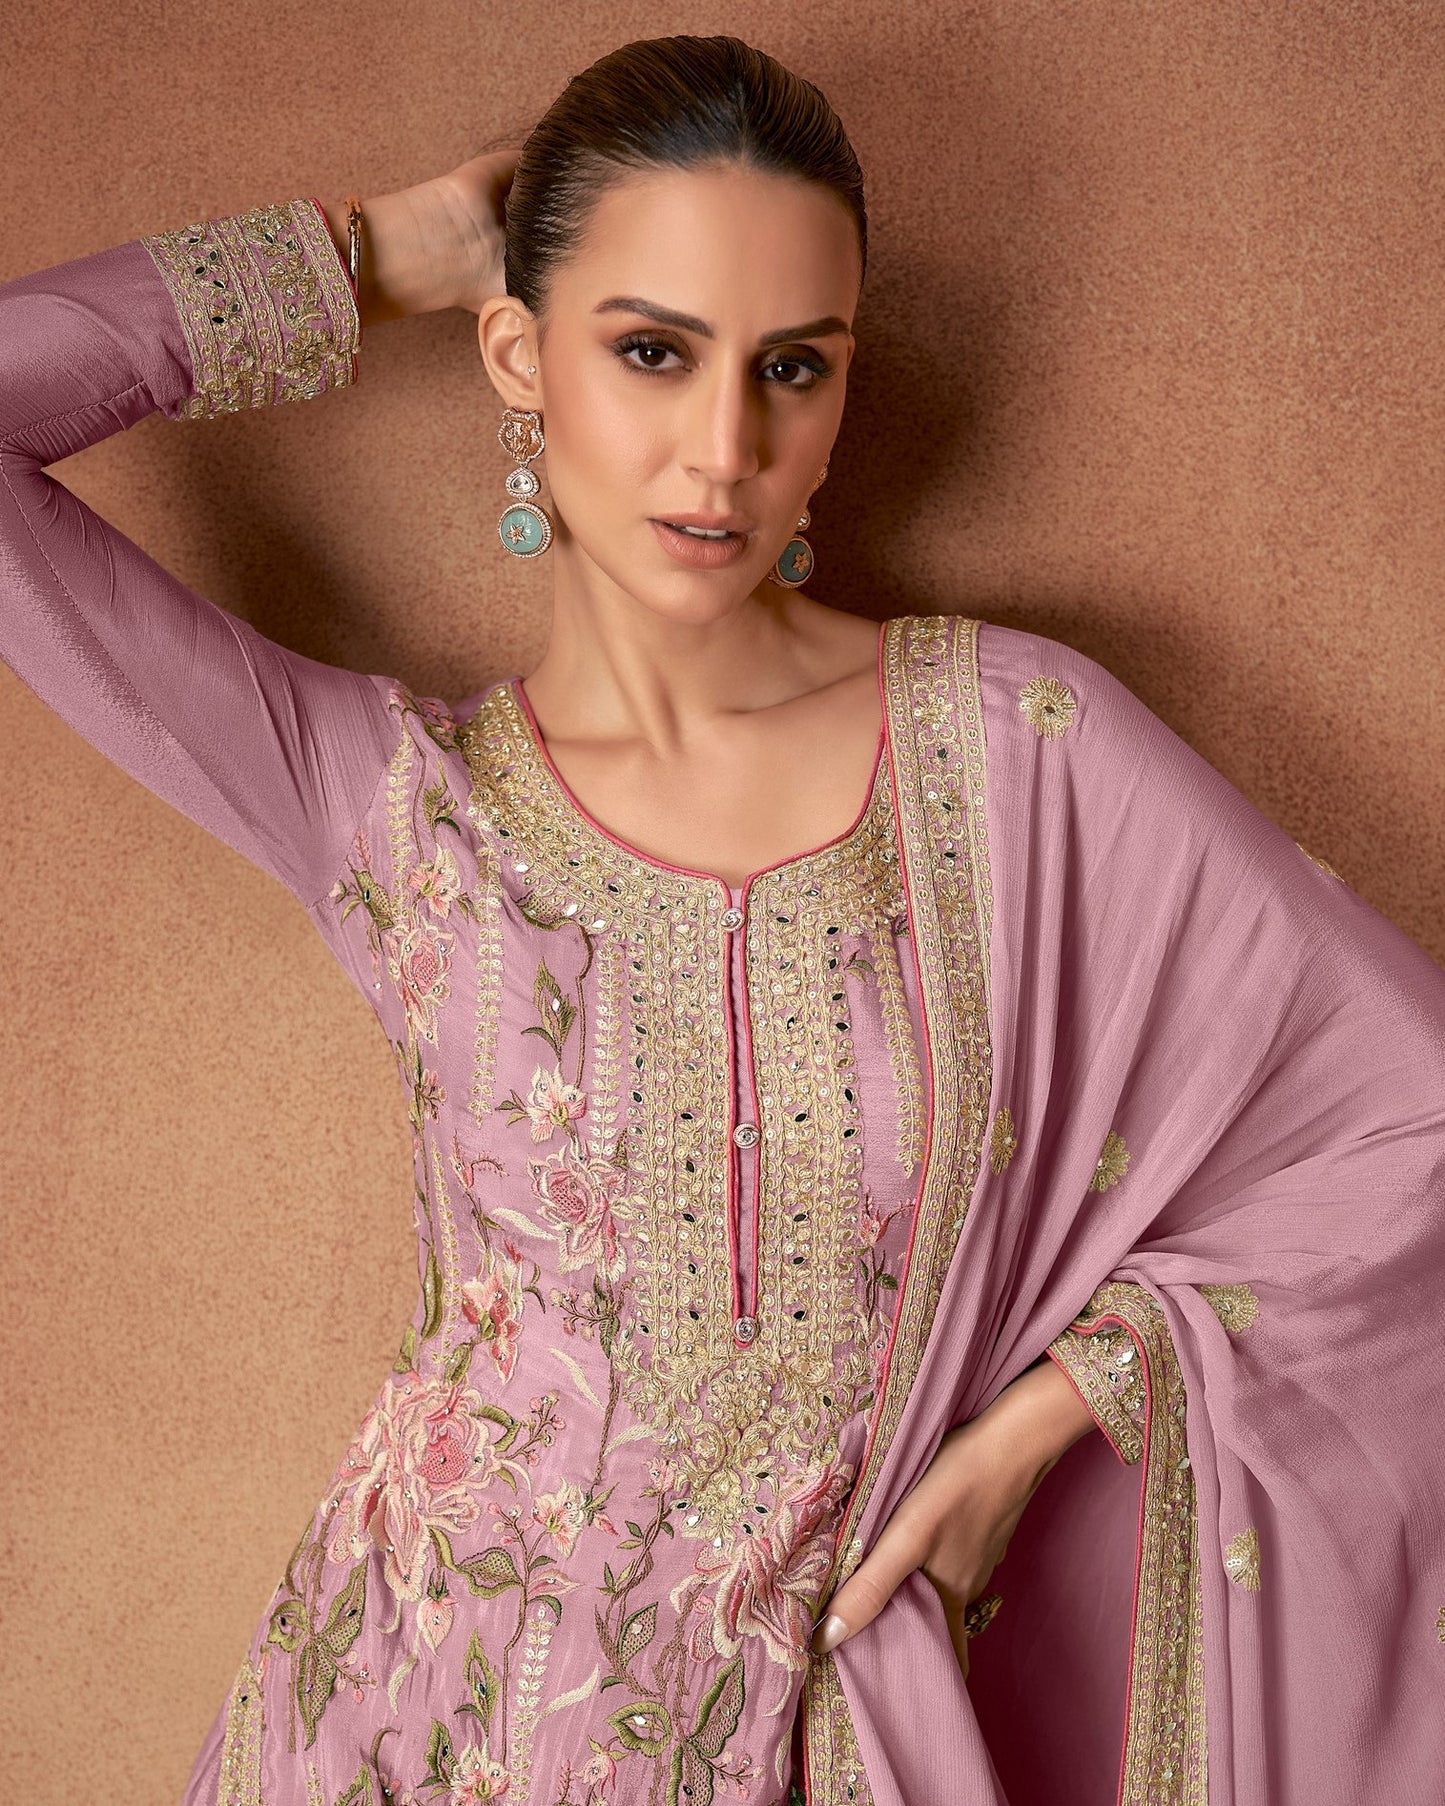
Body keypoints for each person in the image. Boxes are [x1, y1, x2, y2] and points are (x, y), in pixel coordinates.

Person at [3, 30, 1442, 1806]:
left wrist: (1042, 1422)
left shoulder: (1013, 754)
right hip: (399, 1718)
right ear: (521, 356)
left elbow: (1409, 1126)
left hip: (819, 1727)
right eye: (649, 350)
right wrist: (372, 257)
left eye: (793, 367)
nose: (724, 445)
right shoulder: (392, 806)